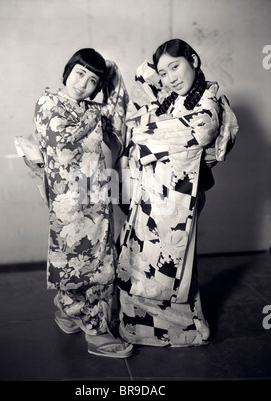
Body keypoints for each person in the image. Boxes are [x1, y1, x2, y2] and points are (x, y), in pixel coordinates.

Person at [115, 39, 239, 347]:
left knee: (173, 265)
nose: (170, 77)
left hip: (180, 198)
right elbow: (142, 78)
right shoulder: (172, 99)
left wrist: (146, 135)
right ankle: (142, 325)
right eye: (164, 71)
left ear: (194, 60)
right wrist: (153, 128)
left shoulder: (209, 99)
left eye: (176, 66)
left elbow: (202, 131)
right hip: (152, 193)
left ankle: (188, 328)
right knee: (142, 260)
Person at [22, 48, 133, 358]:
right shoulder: (48, 103)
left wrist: (110, 77)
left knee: (94, 258)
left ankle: (69, 313)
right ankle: (97, 333)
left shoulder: (92, 109)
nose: (84, 83)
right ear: (68, 70)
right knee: (83, 261)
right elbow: (61, 142)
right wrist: (96, 115)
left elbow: (121, 117)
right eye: (80, 73)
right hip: (69, 201)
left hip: (96, 194)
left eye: (93, 80)